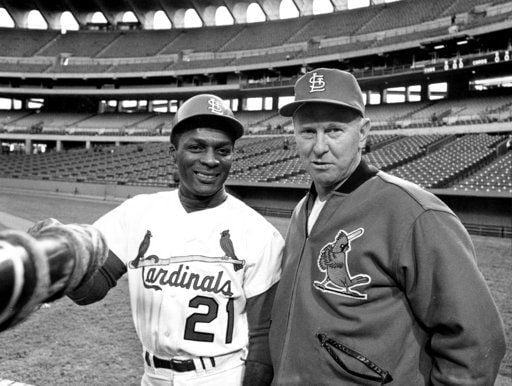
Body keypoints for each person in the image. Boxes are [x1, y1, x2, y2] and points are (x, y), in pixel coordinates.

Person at [268, 68, 506, 385]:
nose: (320, 146)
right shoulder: (302, 210)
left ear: (363, 133)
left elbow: (476, 343)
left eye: (335, 130)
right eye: (308, 132)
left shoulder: (414, 213)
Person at [66, 94, 284, 385]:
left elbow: (261, 344)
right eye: (196, 147)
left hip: (221, 376)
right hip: (152, 376)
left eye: (223, 150)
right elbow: (92, 288)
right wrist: (62, 264)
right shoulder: (137, 212)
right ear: (173, 153)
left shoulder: (259, 233)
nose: (210, 160)